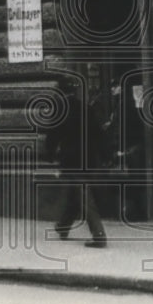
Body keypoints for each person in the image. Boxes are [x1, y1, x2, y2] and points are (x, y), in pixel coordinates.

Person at [51, 77, 108, 248]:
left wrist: (51, 155)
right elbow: (98, 134)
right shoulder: (86, 108)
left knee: (83, 196)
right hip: (88, 159)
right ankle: (63, 226)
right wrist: (105, 156)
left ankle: (99, 235)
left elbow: (53, 136)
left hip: (71, 160)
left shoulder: (60, 110)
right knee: (75, 194)